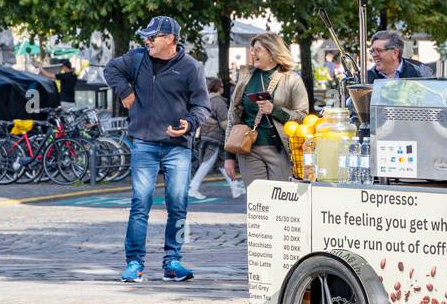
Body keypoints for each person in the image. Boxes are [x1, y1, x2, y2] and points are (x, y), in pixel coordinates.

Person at [103, 16, 211, 283]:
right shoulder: (137, 58)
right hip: (144, 142)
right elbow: (111, 69)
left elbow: (202, 106)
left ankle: (173, 261)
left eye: (153, 37)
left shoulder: (191, 67)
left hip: (178, 147)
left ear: (170, 39)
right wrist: (125, 92)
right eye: (146, 37)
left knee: (178, 205)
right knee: (140, 204)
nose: (147, 41)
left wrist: (190, 123)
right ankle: (134, 263)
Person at [226, 32, 308, 184]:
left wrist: (275, 110)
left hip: (281, 150)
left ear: (272, 52)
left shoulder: (292, 80)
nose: (252, 53)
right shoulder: (246, 77)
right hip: (248, 150)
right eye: (252, 49)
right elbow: (233, 116)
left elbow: (303, 117)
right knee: (256, 198)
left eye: (257, 50)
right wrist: (229, 156)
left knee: (280, 196)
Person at [189, 77, 239, 200]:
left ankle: (235, 188)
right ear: (218, 88)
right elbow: (225, 121)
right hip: (216, 136)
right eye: (221, 86)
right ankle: (193, 188)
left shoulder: (206, 100)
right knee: (207, 163)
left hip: (207, 134)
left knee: (222, 164)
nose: (223, 89)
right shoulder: (218, 101)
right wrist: (232, 133)